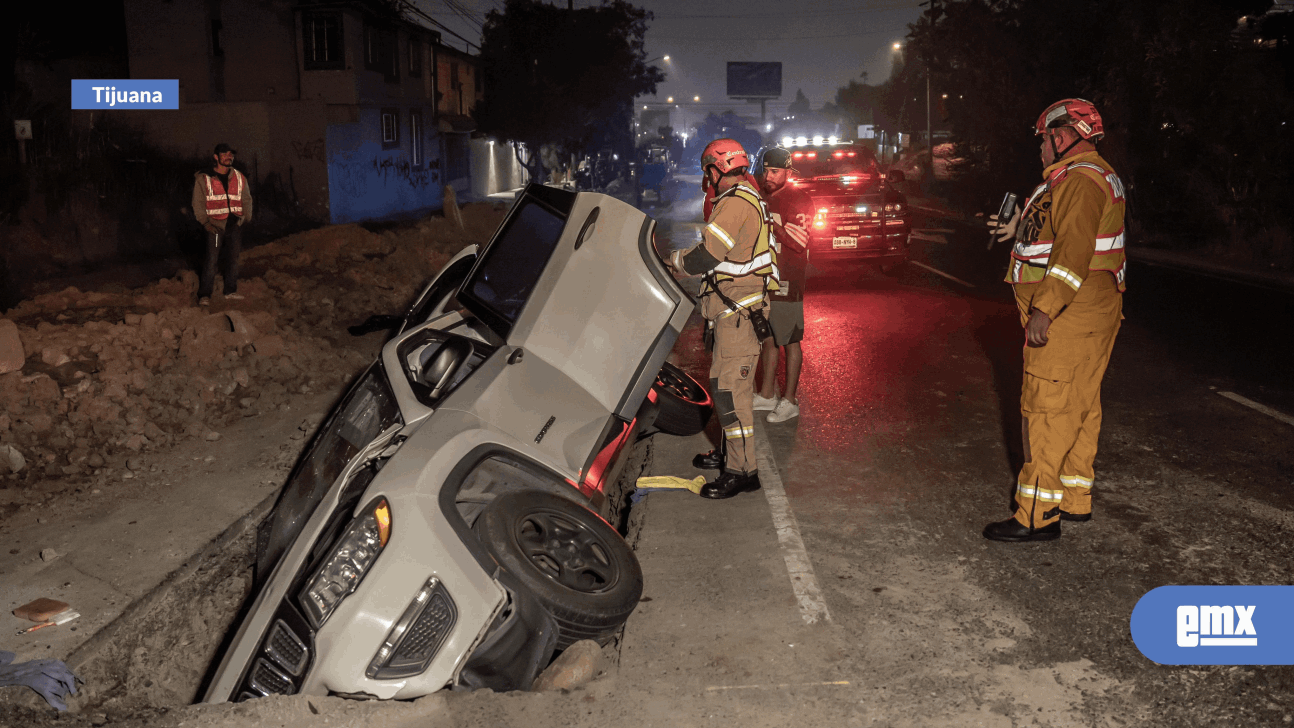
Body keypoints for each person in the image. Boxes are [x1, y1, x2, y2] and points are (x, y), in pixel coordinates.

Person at [983, 98, 1127, 542]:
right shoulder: (1079, 176)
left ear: (1062, 138)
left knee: (1045, 409)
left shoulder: (1081, 181)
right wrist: (1016, 231)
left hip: (1070, 310)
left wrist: (1046, 308)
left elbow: (1073, 253)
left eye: (1043, 140)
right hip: (1090, 308)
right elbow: (1059, 233)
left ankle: (1036, 516)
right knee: (1079, 404)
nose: (1040, 148)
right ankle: (1072, 499)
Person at [667, 138, 779, 499]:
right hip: (734, 313)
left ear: (716, 170)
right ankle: (729, 454)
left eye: (707, 171)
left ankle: (742, 472)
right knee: (726, 389)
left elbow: (706, 256)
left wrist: (673, 262)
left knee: (733, 396)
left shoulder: (733, 204)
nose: (707, 178)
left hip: (738, 316)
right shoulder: (747, 196)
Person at [754, 147, 814, 423]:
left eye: (775, 171)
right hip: (766, 277)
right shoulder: (763, 196)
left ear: (788, 173)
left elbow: (799, 242)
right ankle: (767, 394)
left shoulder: (799, 198)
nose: (769, 176)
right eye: (766, 170)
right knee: (767, 337)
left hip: (788, 276)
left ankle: (790, 400)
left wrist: (769, 222)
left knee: (789, 339)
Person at [192, 142, 253, 305]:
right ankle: (205, 295)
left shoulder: (239, 177)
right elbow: (198, 202)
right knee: (212, 260)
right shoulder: (204, 178)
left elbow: (246, 198)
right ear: (216, 157)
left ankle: (230, 291)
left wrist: (244, 218)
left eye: (230, 154)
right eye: (225, 154)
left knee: (233, 259)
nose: (229, 157)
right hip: (215, 228)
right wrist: (205, 223)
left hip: (234, 226)